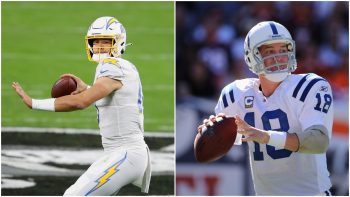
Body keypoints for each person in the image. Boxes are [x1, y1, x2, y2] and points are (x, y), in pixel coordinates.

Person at [12, 16, 151, 196]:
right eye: (96, 41)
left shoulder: (111, 65)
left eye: (105, 41)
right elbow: (113, 99)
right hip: (118, 154)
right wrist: (86, 88)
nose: (100, 46)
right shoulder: (120, 67)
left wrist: (34, 103)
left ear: (118, 42)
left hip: (126, 154)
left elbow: (81, 102)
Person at [198, 21, 333, 195]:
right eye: (269, 52)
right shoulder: (236, 94)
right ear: (251, 57)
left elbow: (318, 141)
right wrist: (210, 132)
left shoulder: (310, 86)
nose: (278, 58)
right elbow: (218, 143)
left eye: (283, 50)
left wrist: (267, 137)